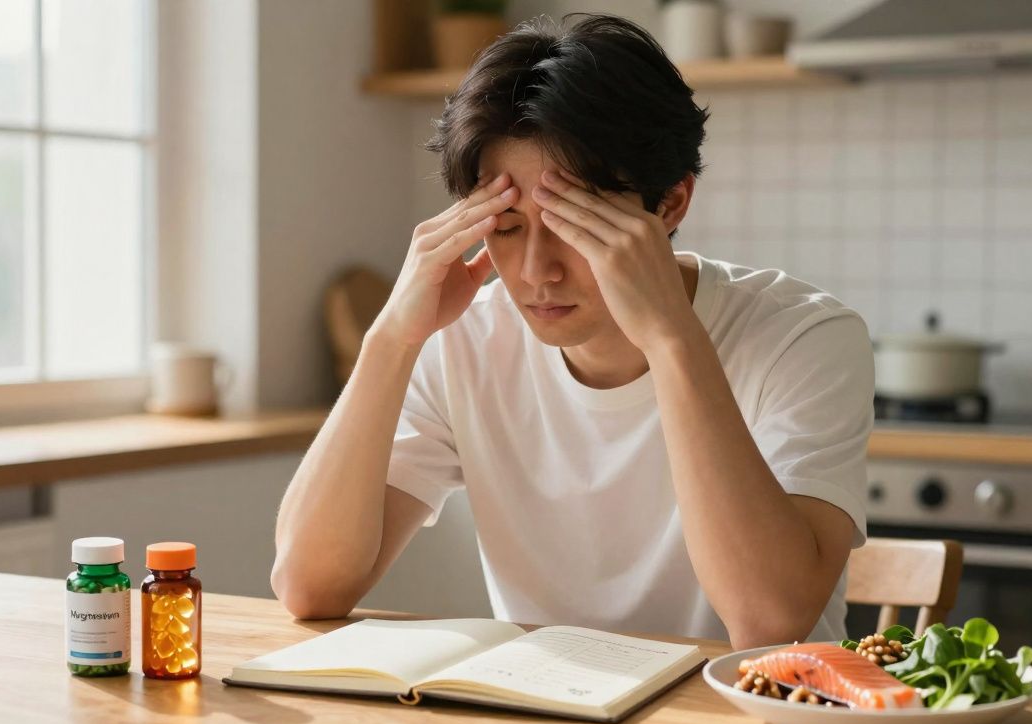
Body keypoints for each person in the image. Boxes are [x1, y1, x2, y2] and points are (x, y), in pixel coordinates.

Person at [270, 14, 873, 649]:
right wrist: (390, 339)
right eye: (505, 227)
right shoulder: (465, 338)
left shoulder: (803, 336)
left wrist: (672, 338)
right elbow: (311, 586)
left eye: (571, 222)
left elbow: (768, 622)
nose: (535, 272)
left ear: (668, 204)